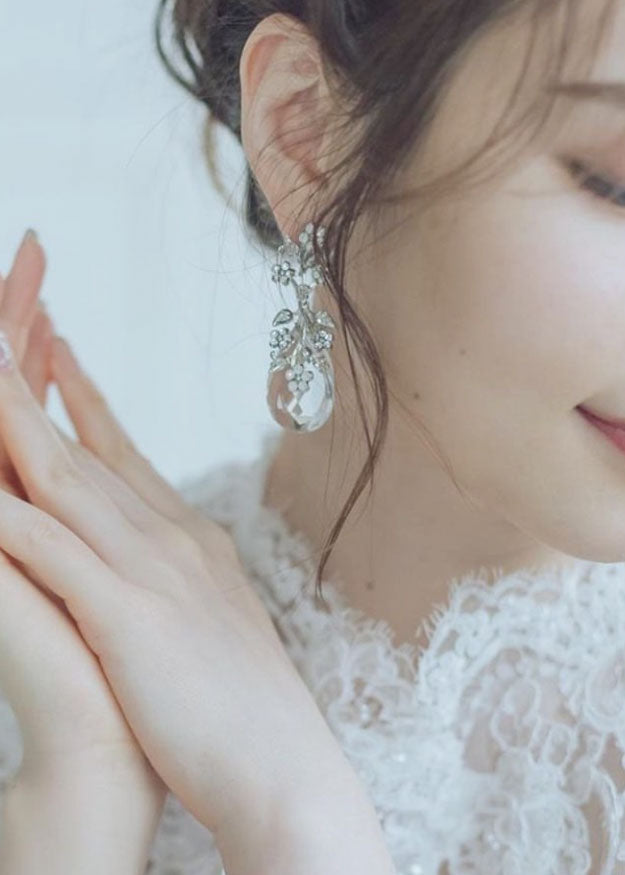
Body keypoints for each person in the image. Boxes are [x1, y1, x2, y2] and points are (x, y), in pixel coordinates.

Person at [1, 0, 625, 870]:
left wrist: (293, 821)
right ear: (304, 131)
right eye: (614, 182)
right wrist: (77, 798)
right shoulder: (50, 672)